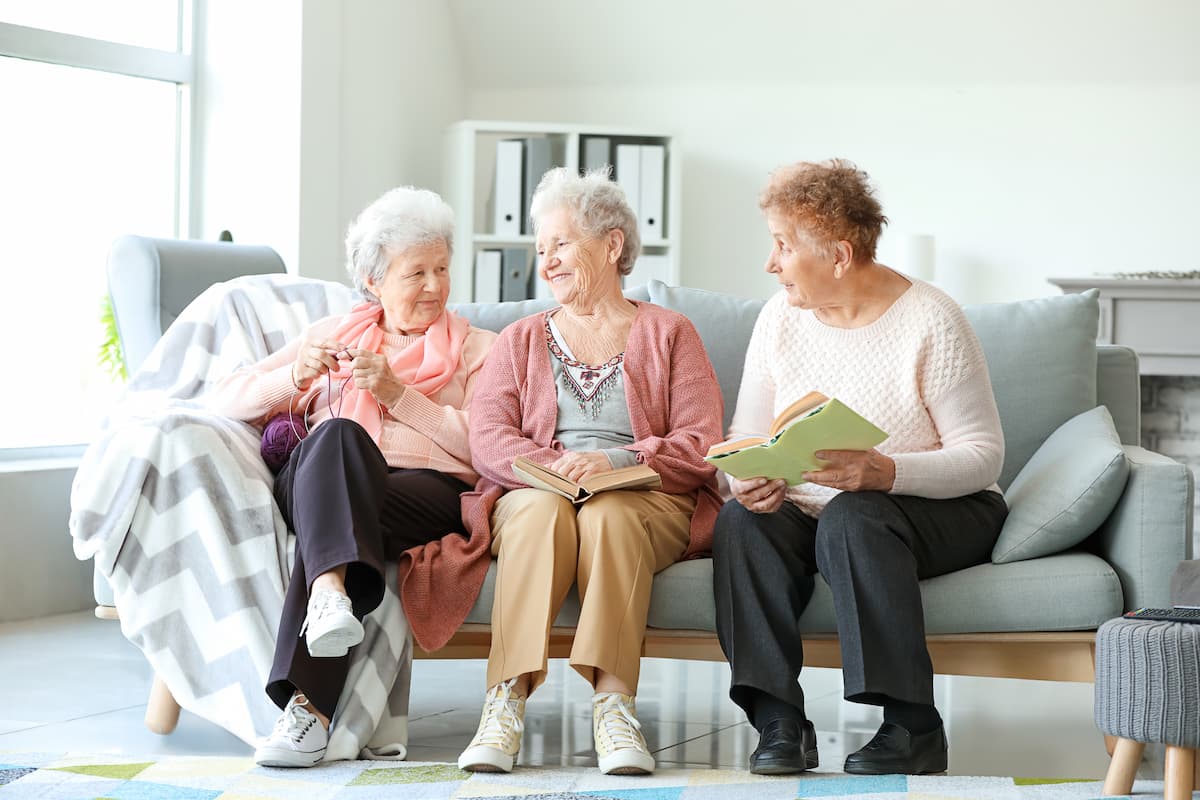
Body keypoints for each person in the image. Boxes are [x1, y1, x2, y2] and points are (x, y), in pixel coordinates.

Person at [711, 160, 1006, 776]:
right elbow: (744, 433)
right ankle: (779, 721)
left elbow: (983, 457)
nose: (771, 263)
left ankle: (912, 725)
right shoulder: (778, 318)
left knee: (854, 516)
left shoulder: (932, 319)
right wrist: (746, 475)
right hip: (814, 506)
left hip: (940, 508)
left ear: (839, 255)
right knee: (741, 521)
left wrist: (886, 472)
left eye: (784, 247)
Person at [208, 187, 496, 767]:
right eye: (417, 272)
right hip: (319, 480)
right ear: (374, 281)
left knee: (333, 528)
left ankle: (308, 707)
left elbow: (487, 448)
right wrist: (294, 376)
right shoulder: (332, 335)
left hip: (423, 491)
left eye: (442, 268)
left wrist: (400, 395)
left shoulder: (478, 349)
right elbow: (225, 399)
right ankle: (329, 598)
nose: (436, 286)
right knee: (340, 438)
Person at [457, 167, 724, 776]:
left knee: (611, 511)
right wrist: (559, 467)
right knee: (540, 513)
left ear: (611, 245)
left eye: (561, 244)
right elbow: (490, 439)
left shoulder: (670, 332)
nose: (546, 261)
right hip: (537, 488)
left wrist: (616, 460)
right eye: (541, 248)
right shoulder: (519, 339)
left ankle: (613, 705)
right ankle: (504, 702)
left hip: (644, 492)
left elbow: (702, 440)